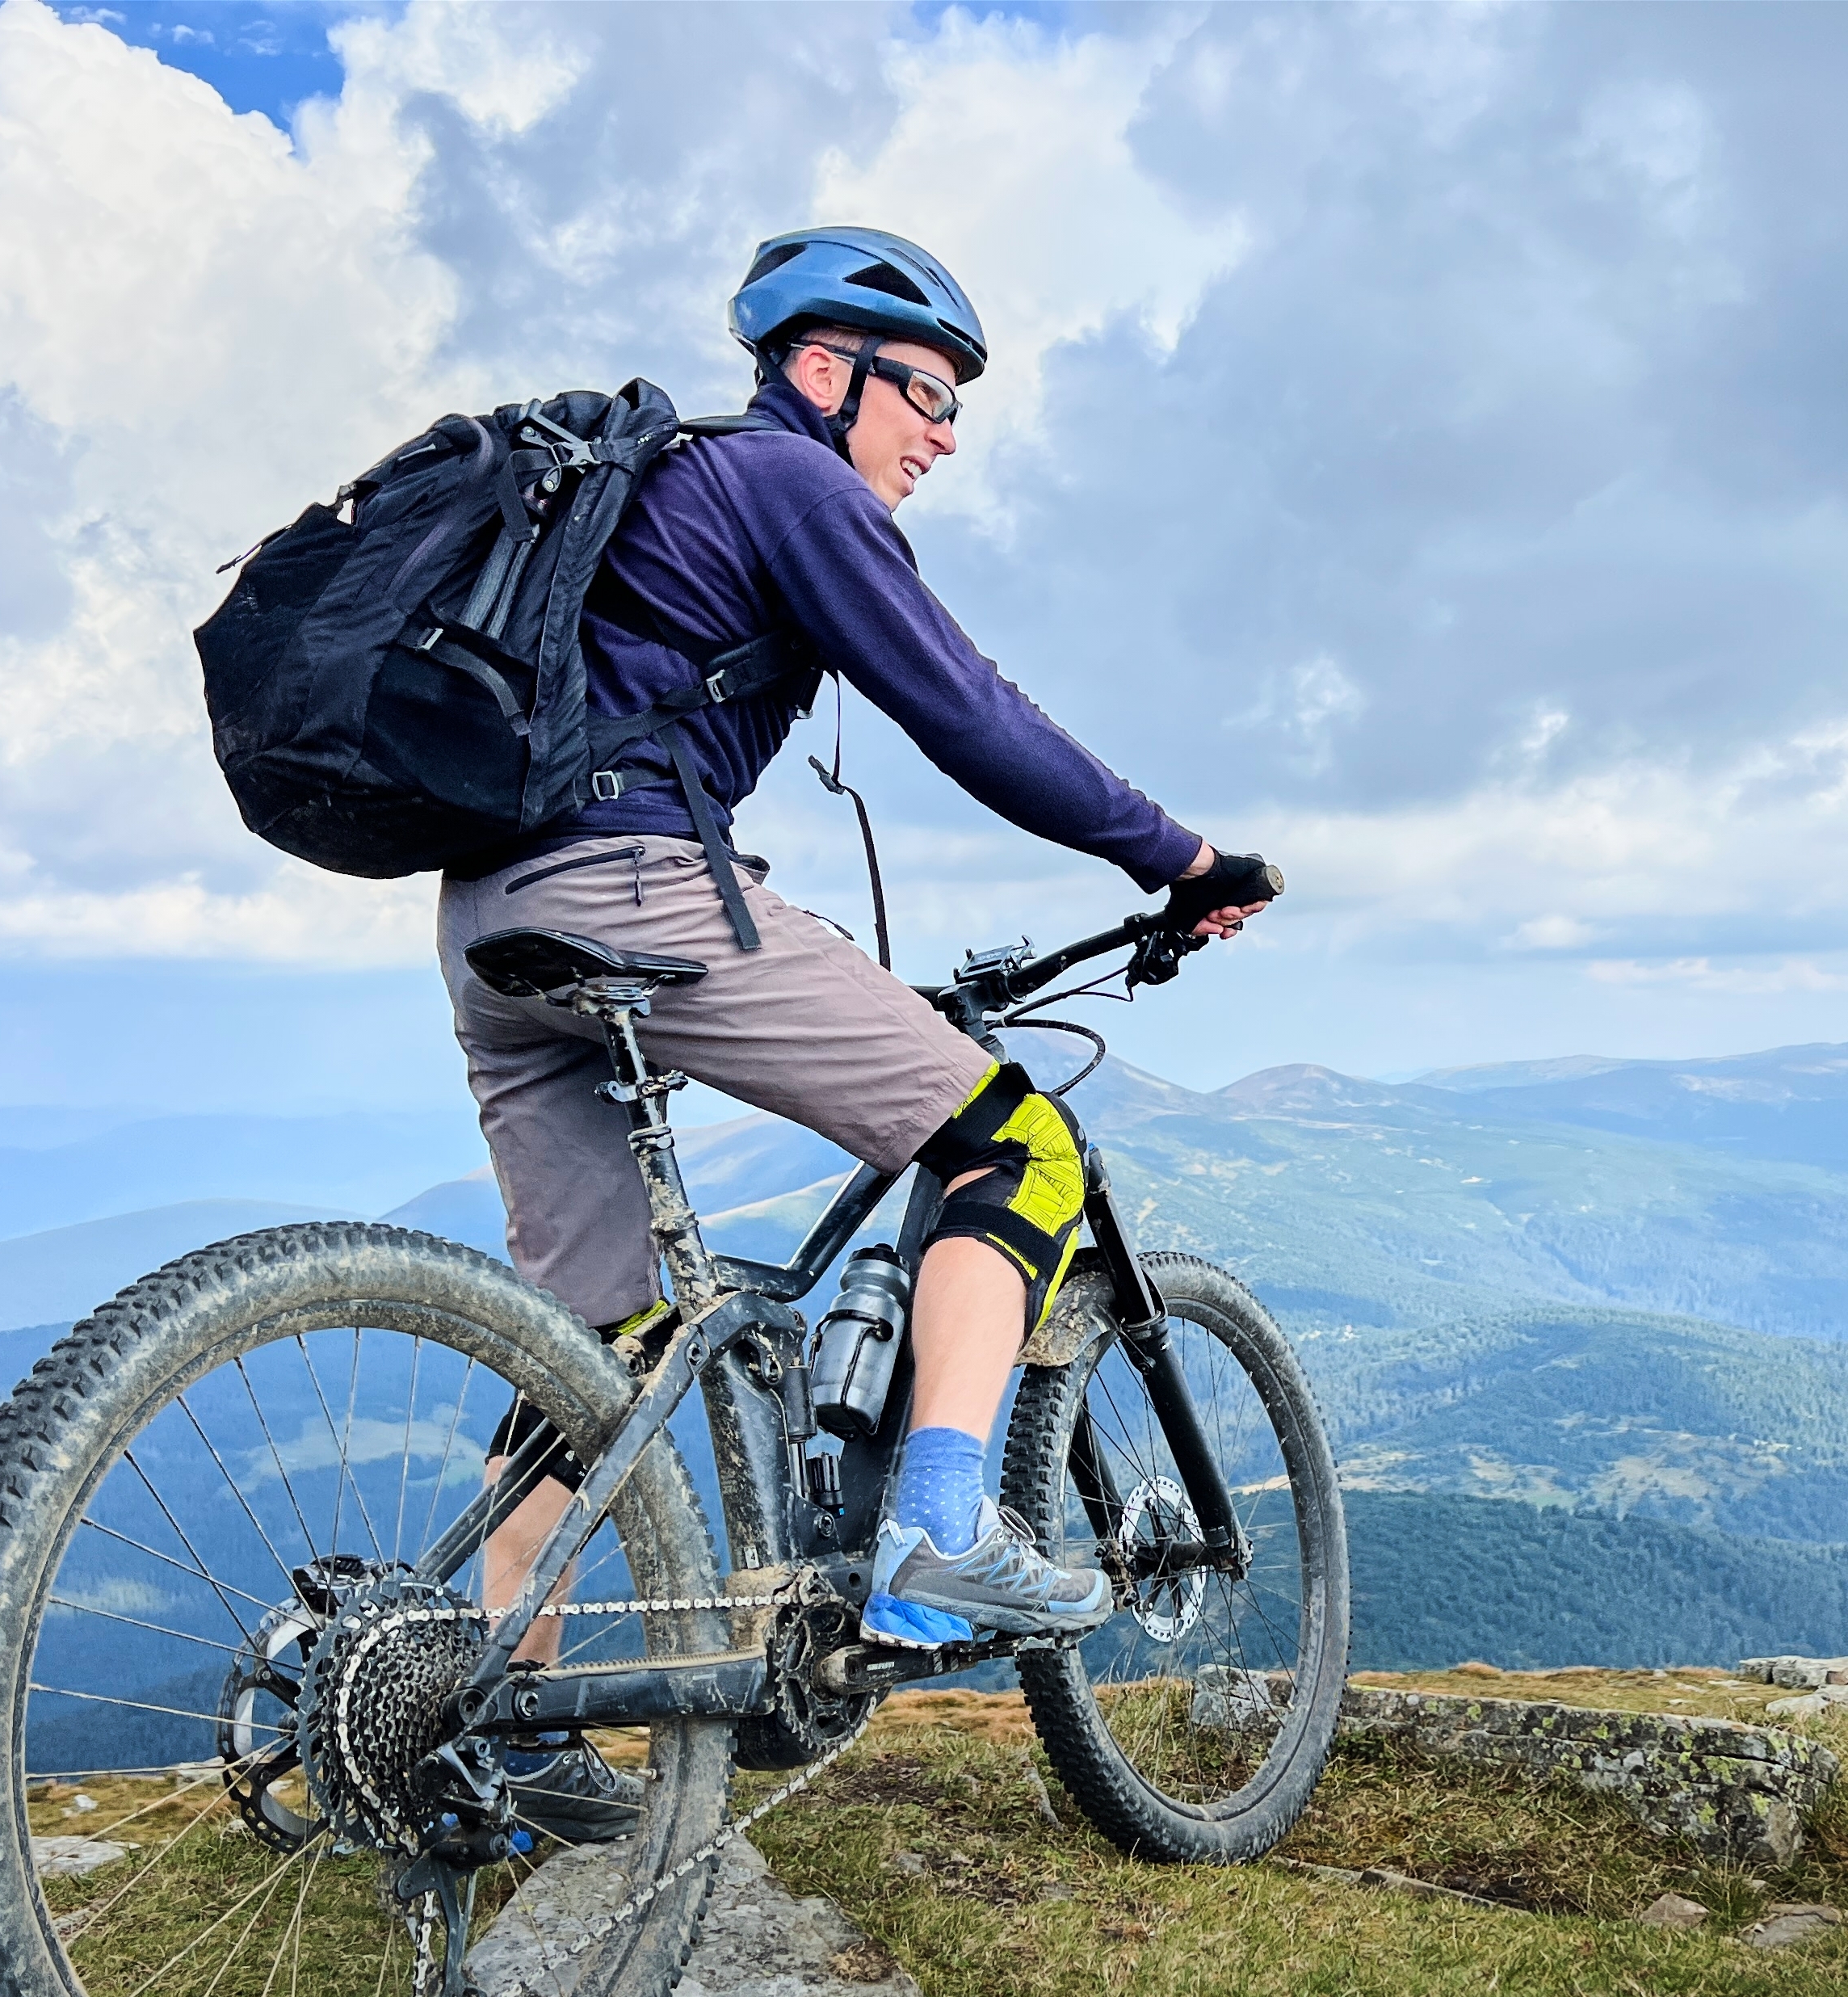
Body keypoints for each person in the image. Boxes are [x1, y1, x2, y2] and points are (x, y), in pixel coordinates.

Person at [439, 226, 1272, 1839]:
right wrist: (1173, 858)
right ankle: (936, 1535)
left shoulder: (673, 493)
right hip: (637, 888)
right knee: (1011, 1144)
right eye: (930, 395)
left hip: (489, 916)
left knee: (591, 1341)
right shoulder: (786, 482)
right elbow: (965, 709)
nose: (946, 437)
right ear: (823, 372)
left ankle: (488, 1712)